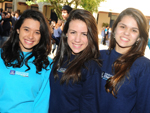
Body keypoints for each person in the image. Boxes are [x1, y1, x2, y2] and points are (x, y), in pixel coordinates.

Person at [49, 9, 102, 113]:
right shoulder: (61, 58)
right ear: (66, 33)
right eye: (73, 32)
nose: (77, 39)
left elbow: (89, 108)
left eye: (84, 34)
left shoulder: (92, 67)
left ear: (91, 36)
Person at [0, 9, 53, 113]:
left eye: (37, 32)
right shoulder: (1, 56)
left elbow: (43, 103)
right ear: (18, 29)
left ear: (41, 36)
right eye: (26, 29)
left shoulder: (47, 64)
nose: (30, 36)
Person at [100, 8, 150, 113]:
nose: (126, 33)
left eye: (134, 30)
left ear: (139, 38)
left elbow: (145, 108)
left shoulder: (144, 67)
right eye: (123, 26)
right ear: (114, 29)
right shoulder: (98, 57)